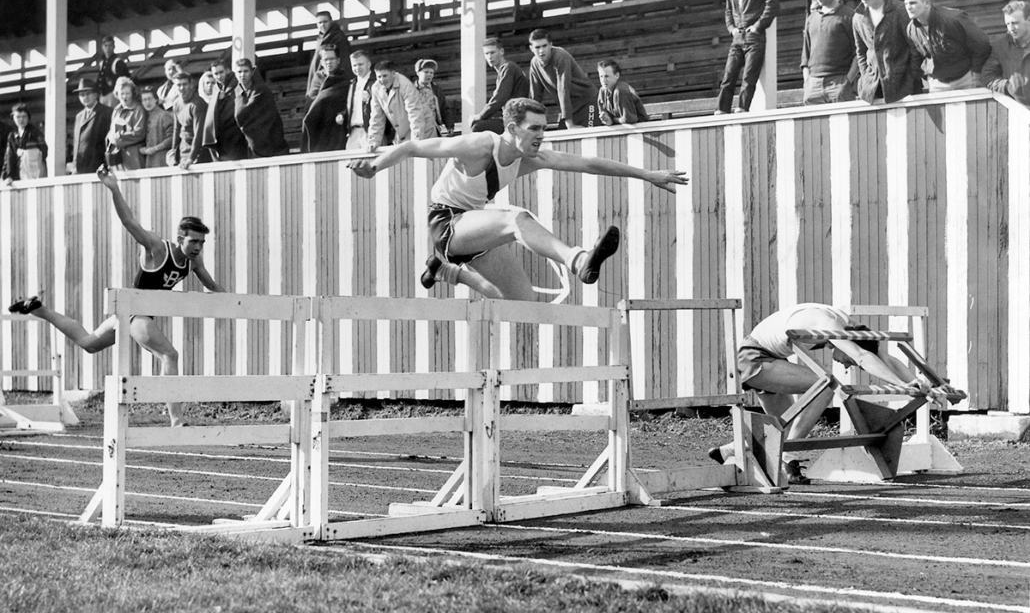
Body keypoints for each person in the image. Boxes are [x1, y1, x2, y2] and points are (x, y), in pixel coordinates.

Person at [349, 97, 688, 300]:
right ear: (512, 129)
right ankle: (578, 260)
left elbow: (588, 163)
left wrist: (648, 175)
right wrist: (374, 166)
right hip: (447, 223)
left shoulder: (530, 157)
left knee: (523, 302)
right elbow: (410, 146)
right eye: (534, 129)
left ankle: (444, 270)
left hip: (475, 229)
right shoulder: (480, 145)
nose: (542, 135)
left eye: (544, 128)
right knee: (517, 218)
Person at [8, 165, 225, 426]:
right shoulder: (157, 247)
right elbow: (129, 222)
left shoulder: (194, 262)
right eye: (194, 242)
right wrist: (113, 187)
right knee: (170, 355)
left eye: (202, 243)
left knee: (89, 343)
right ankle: (176, 420)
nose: (198, 248)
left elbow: (213, 286)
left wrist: (241, 304)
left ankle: (38, 309)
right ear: (181, 238)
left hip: (129, 314)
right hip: (136, 314)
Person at [707, 303, 947, 484]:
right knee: (825, 385)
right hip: (753, 359)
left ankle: (729, 450)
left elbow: (884, 357)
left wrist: (916, 383)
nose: (846, 364)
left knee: (782, 427)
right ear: (850, 348)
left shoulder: (852, 327)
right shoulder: (832, 327)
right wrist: (901, 387)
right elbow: (863, 356)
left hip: (769, 359)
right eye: (849, 361)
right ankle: (788, 452)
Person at [715, 0, 779, 115]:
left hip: (754, 36)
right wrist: (732, 29)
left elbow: (772, 4)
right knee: (729, 75)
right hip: (737, 36)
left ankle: (742, 107)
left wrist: (758, 26)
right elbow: (728, 11)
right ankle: (722, 109)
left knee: (749, 76)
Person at [904, 0, 991, 93]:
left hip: (966, 79)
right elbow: (919, 56)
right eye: (906, 4)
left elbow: (982, 44)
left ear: (927, 3)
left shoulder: (953, 19)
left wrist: (976, 73)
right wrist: (928, 76)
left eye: (913, 3)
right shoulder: (911, 30)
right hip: (937, 83)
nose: (908, 7)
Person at [852, 0, 919, 103]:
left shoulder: (900, 10)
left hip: (903, 84)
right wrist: (866, 75)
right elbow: (861, 53)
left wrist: (913, 75)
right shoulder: (858, 17)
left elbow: (915, 46)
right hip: (873, 87)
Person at [801, 0, 858, 105]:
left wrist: (848, 80)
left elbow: (859, 53)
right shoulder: (811, 19)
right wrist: (807, 81)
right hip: (813, 85)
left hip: (839, 82)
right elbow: (806, 55)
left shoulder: (850, 16)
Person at [527, 29, 598, 128]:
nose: (541, 51)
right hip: (572, 107)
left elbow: (563, 89)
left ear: (551, 45)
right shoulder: (534, 63)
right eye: (537, 47)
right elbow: (536, 95)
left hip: (588, 101)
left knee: (587, 136)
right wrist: (531, 121)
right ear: (531, 48)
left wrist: (569, 123)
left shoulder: (560, 56)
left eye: (544, 46)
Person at [233, 58, 290, 158]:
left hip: (270, 143)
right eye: (239, 72)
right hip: (248, 145)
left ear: (251, 72)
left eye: (245, 71)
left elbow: (269, 117)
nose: (242, 75)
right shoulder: (235, 94)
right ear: (235, 74)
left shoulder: (262, 90)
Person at [301, 45, 352, 153]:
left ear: (338, 60)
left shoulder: (345, 79)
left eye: (332, 59)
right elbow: (311, 104)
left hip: (337, 128)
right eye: (326, 59)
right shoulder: (317, 78)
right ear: (321, 62)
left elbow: (350, 104)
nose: (329, 62)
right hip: (318, 127)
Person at [472, 37, 529, 134]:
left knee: (477, 126)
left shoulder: (508, 67)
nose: (489, 57)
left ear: (502, 51)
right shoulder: (504, 70)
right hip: (511, 117)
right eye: (487, 54)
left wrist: (480, 115)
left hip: (518, 120)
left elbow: (500, 98)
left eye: (492, 52)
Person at [981, 0, 1030, 106]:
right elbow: (987, 76)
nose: (1011, 28)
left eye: (1015, 23)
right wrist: (1007, 86)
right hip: (1018, 109)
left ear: (1029, 20)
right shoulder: (1001, 46)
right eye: (1008, 24)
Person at [367, 60, 422, 152]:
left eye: (385, 76)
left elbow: (415, 113)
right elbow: (376, 117)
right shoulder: (375, 88)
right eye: (379, 76)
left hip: (421, 128)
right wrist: (373, 141)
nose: (382, 80)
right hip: (401, 132)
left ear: (393, 73)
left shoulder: (405, 85)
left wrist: (416, 139)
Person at [201, 60, 249, 162]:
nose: (219, 76)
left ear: (227, 70)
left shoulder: (237, 84)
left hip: (236, 137)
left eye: (221, 72)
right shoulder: (216, 88)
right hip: (221, 138)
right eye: (216, 74)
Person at [69, 78, 113, 175]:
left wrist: (107, 166)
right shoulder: (79, 117)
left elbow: (110, 143)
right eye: (81, 95)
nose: (85, 97)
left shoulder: (107, 113)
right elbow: (77, 144)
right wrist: (74, 167)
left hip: (99, 168)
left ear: (96, 94)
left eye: (88, 93)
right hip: (80, 170)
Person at [169, 69, 208, 170]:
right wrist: (173, 153)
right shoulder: (176, 103)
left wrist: (191, 158)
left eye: (185, 84)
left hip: (199, 151)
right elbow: (176, 130)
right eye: (178, 85)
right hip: (183, 150)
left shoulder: (198, 104)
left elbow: (199, 133)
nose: (182, 88)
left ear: (191, 85)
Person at [106, 76, 148, 170]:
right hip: (117, 156)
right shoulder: (116, 110)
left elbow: (140, 133)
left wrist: (119, 137)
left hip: (134, 155)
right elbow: (112, 130)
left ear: (133, 93)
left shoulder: (138, 109)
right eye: (122, 93)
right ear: (117, 94)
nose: (125, 97)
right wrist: (110, 137)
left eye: (127, 93)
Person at [306, 10, 349, 100]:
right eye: (319, 22)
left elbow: (343, 60)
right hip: (319, 78)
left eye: (325, 22)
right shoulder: (320, 38)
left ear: (331, 21)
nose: (322, 25)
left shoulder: (338, 37)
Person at [2, 104, 48, 184]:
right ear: (13, 118)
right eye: (18, 117)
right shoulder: (12, 135)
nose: (21, 120)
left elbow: (44, 150)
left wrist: (25, 152)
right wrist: (8, 175)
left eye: (24, 116)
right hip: (18, 173)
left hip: (35, 173)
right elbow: (9, 156)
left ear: (28, 117)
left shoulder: (35, 133)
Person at [596, 59, 650, 125]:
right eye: (601, 76)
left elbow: (630, 120)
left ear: (617, 76)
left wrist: (613, 120)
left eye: (606, 76)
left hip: (642, 128)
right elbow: (607, 118)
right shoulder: (602, 91)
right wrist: (607, 119)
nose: (603, 80)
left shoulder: (620, 91)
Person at [342, 50, 376, 150]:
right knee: (350, 163)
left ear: (369, 64)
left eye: (360, 64)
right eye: (354, 65)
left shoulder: (375, 82)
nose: (357, 68)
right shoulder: (352, 84)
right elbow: (353, 107)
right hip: (353, 131)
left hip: (370, 130)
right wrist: (342, 114)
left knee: (372, 163)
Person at [138, 85, 176, 170]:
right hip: (150, 161)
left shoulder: (164, 115)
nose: (147, 102)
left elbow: (172, 138)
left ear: (156, 99)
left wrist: (155, 148)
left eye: (150, 98)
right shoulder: (145, 116)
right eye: (144, 100)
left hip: (163, 160)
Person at [412, 58, 451, 139]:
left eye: (431, 73)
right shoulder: (411, 90)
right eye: (426, 72)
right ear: (418, 73)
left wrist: (449, 125)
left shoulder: (436, 90)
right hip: (416, 128)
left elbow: (444, 108)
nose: (429, 75)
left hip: (433, 127)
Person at [94, 35, 131, 108]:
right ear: (102, 47)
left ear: (114, 47)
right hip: (102, 96)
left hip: (113, 95)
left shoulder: (118, 62)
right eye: (106, 46)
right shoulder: (102, 63)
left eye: (110, 46)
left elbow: (125, 79)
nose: (108, 48)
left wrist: (113, 83)